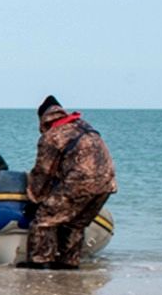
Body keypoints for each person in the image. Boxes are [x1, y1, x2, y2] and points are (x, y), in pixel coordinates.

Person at [22, 95, 116, 269]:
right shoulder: (83, 126)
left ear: (43, 118)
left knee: (44, 219)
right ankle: (69, 265)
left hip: (79, 182)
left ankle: (38, 264)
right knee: (76, 224)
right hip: (107, 183)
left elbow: (43, 172)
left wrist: (34, 199)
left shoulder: (52, 135)